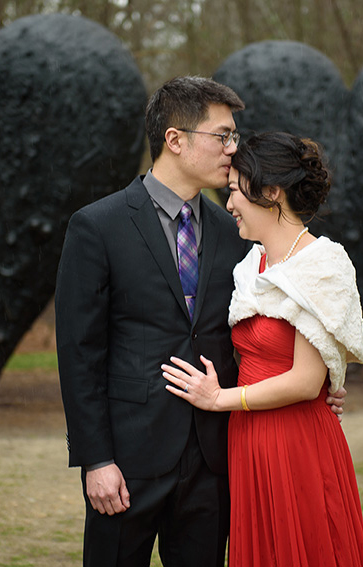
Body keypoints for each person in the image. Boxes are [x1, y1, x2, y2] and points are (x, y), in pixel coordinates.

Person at [55, 78, 346, 567]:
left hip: (216, 459)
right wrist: (96, 460)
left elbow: (275, 325)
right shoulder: (96, 227)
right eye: (223, 136)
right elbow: (79, 354)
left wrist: (323, 381)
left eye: (234, 137)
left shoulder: (237, 236)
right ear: (175, 139)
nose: (233, 150)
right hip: (127, 460)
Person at [162, 131, 363, 567]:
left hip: (296, 440)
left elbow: (304, 381)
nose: (230, 203)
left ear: (271, 192)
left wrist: (220, 399)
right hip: (249, 440)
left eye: (236, 191)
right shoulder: (249, 265)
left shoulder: (322, 265)